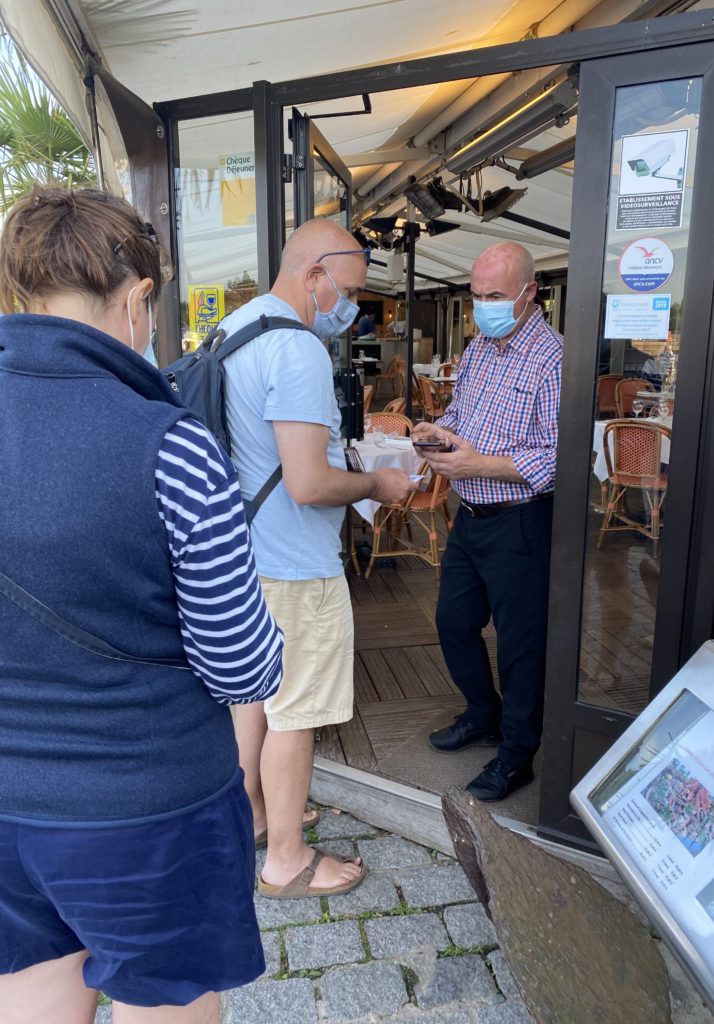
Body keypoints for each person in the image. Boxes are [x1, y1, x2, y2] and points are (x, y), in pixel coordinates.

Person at [0, 187, 284, 1024]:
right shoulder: (170, 444)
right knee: (166, 1007)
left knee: (31, 991)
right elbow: (241, 667)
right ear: (138, 298)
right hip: (148, 807)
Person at [220, 219, 411, 897]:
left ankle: (254, 817)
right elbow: (308, 484)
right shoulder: (296, 349)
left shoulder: (236, 329)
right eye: (350, 291)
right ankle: (287, 861)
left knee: (254, 701)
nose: (352, 308)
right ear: (314, 276)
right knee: (295, 713)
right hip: (295, 564)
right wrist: (377, 483)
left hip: (245, 557)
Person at [413, 241, 562, 802]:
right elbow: (463, 415)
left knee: (521, 645)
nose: (482, 306)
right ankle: (484, 714)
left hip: (521, 521)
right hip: (470, 515)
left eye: (494, 295)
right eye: (476, 295)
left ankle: (518, 756)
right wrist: (439, 431)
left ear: (529, 293)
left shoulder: (553, 359)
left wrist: (479, 464)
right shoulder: (478, 348)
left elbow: (557, 459)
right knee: (453, 622)